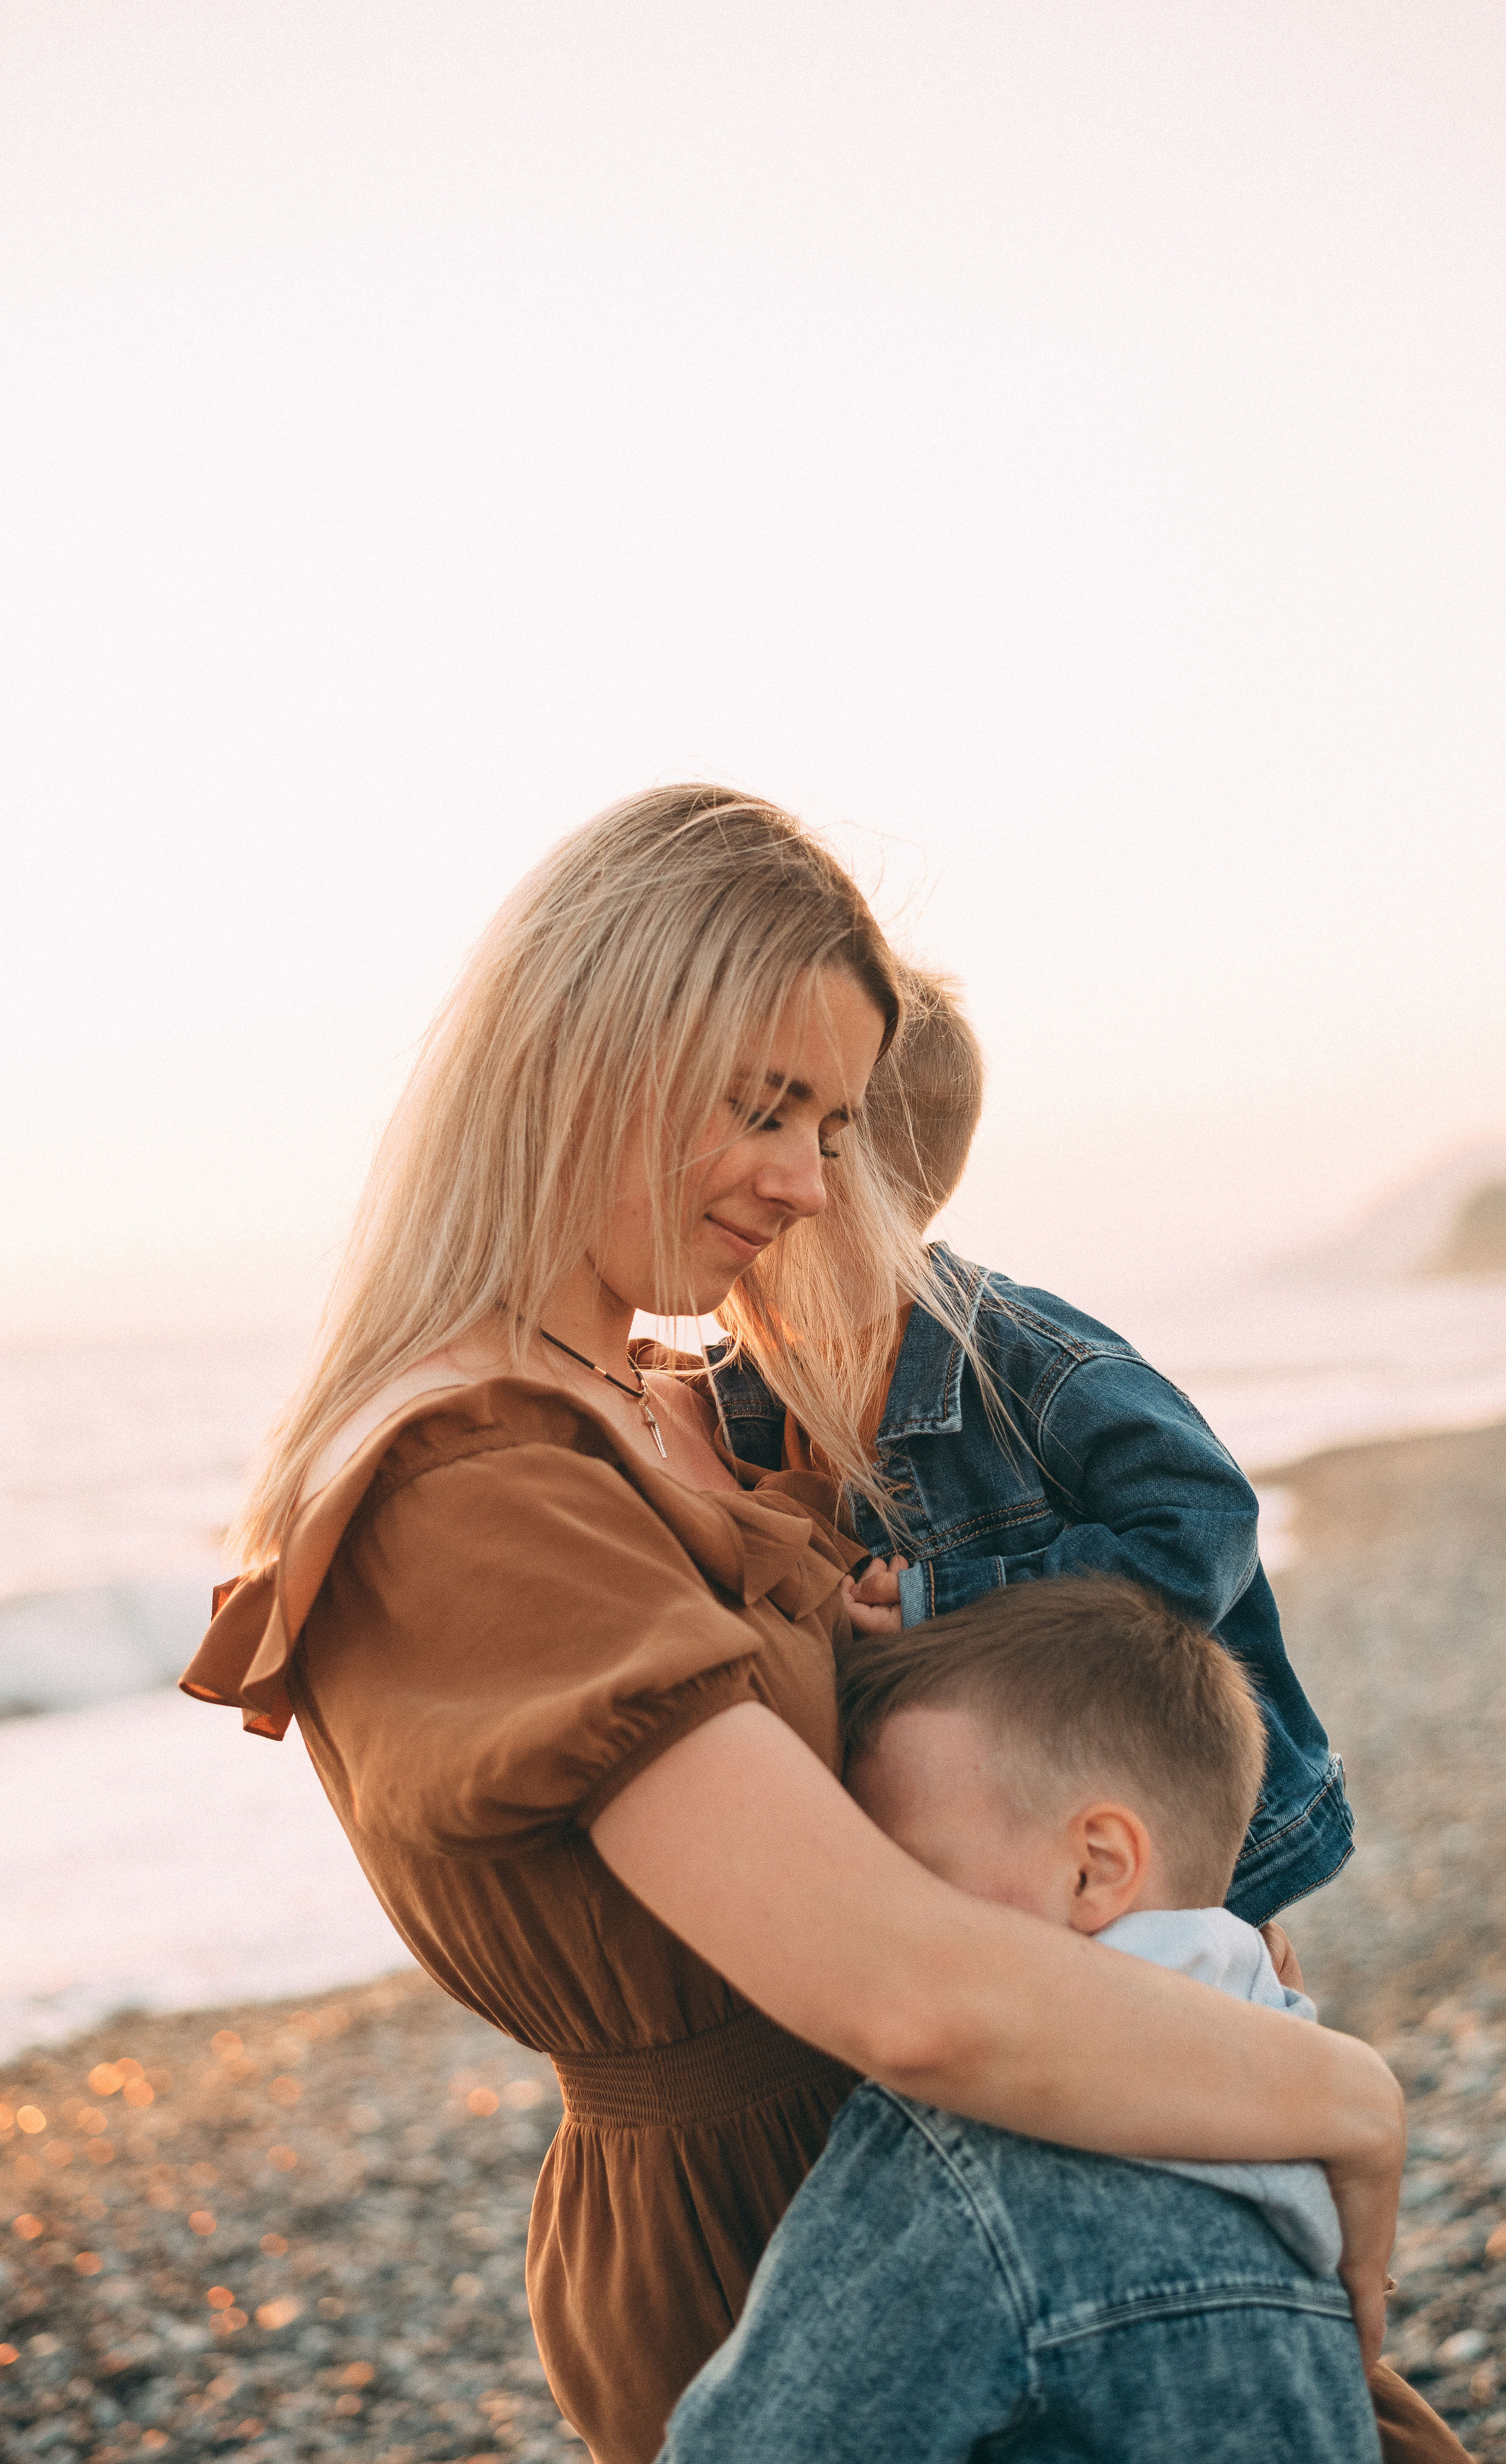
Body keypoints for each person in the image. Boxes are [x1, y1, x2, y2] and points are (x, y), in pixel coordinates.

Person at [180, 786, 1403, 2464]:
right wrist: (1339, 2095)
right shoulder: (476, 1477)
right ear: (589, 1052)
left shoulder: (681, 1400)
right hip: (774, 2227)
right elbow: (906, 1993)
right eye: (770, 1111)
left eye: (832, 1128)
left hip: (954, 2150)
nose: (813, 1187)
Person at [659, 1575, 1382, 2463]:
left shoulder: (966, 2145)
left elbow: (752, 2446)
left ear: (1096, 1867)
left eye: (913, 1877)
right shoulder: (1287, 2091)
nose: (881, 1918)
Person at [712, 966, 1352, 1924]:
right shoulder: (744, 1389)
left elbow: (1204, 1522)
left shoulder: (1022, 1362)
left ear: (840, 1167)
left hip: (1152, 1862)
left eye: (769, 1128)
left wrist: (953, 1603)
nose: (745, 1184)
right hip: (985, 1868)